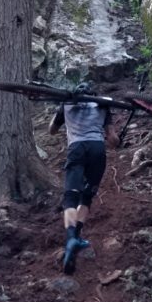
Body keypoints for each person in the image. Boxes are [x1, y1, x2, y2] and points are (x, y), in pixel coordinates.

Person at [49, 82, 114, 274]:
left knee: (70, 196)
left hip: (76, 148)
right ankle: (76, 238)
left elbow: (52, 130)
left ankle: (70, 239)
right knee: (87, 196)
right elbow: (113, 139)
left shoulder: (67, 105)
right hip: (97, 149)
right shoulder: (102, 105)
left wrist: (59, 112)